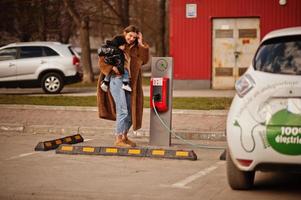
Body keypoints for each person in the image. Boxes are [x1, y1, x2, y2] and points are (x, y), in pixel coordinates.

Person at [97, 25, 149, 147]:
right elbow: (102, 60)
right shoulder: (116, 43)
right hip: (117, 80)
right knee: (123, 110)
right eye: (130, 36)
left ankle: (125, 136)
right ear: (125, 33)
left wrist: (141, 43)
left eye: (134, 37)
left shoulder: (136, 47)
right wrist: (111, 68)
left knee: (131, 112)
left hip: (131, 83)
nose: (131, 39)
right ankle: (118, 138)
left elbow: (145, 60)